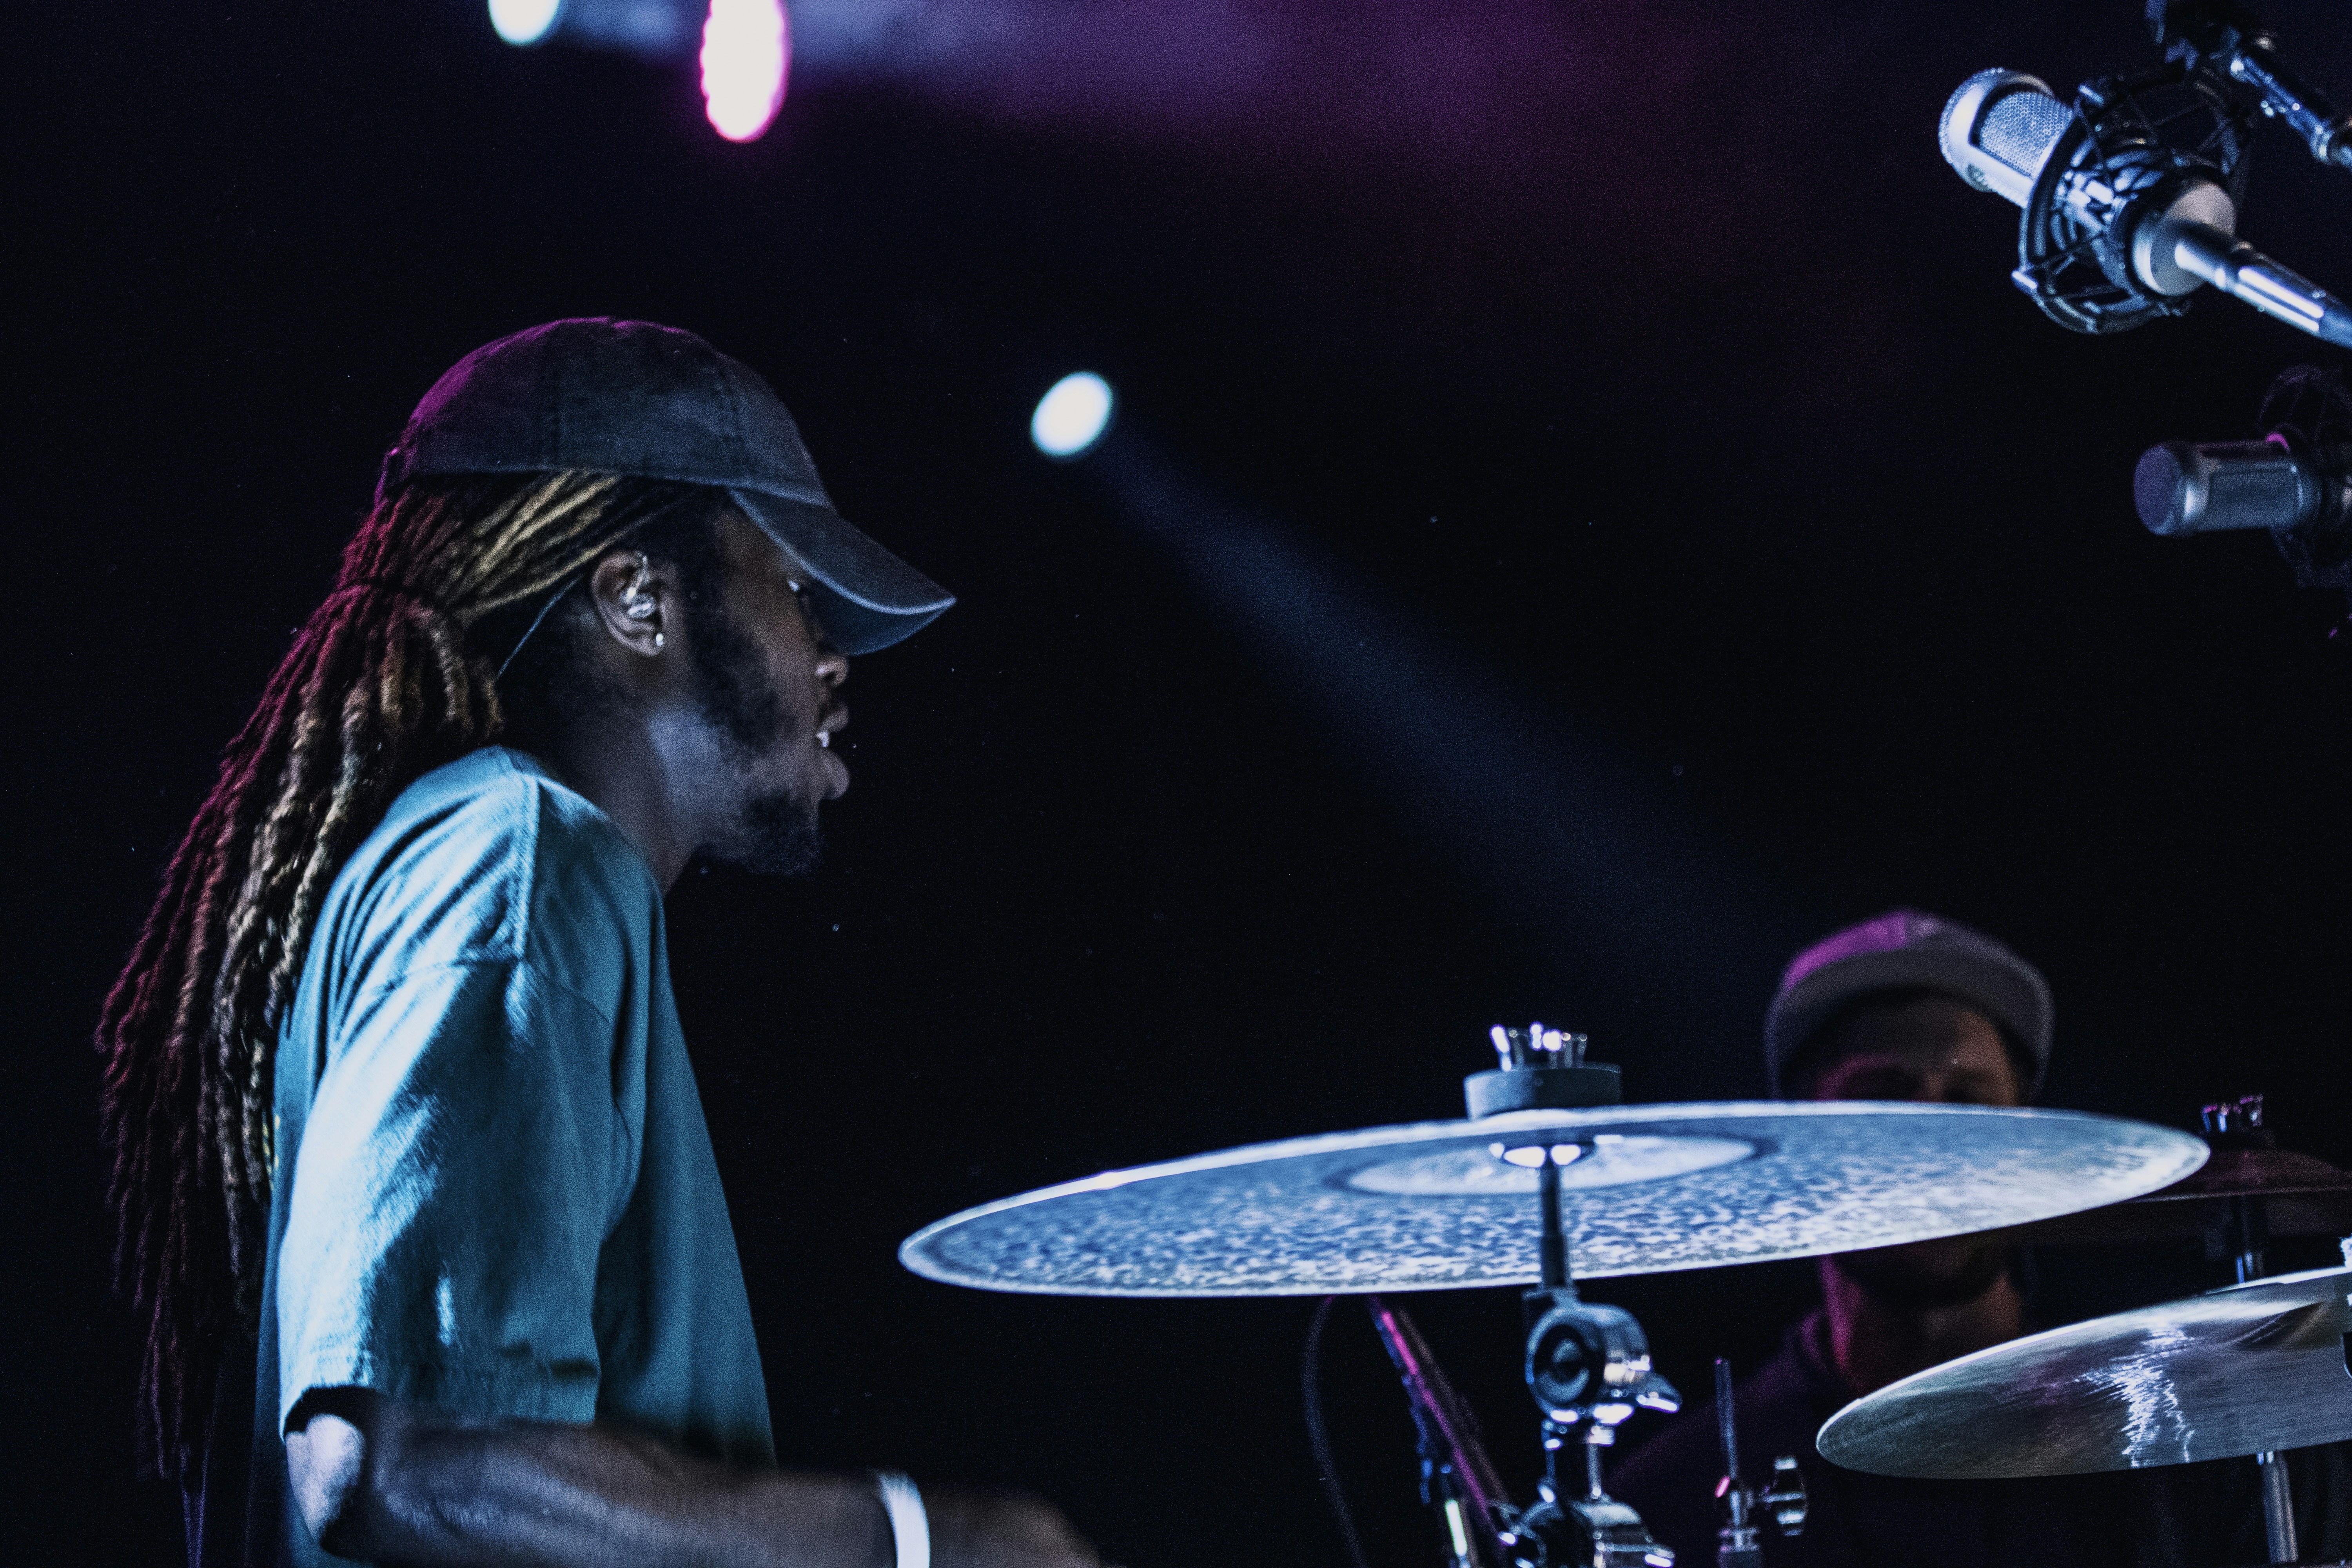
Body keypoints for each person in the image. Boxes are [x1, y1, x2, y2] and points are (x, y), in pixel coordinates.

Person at [96, 318, 1104, 1567]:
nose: (836, 658)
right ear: (638, 600)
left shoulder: (469, 861)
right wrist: (923, 1541)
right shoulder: (518, 858)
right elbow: (406, 1460)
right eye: (798, 594)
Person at [1607, 909, 2348, 1567]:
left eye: (1969, 1106)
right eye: (1885, 1102)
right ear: (1797, 1146)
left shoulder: (2194, 1441)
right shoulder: (1670, 1498)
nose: (1936, 1146)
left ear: (2029, 1140)